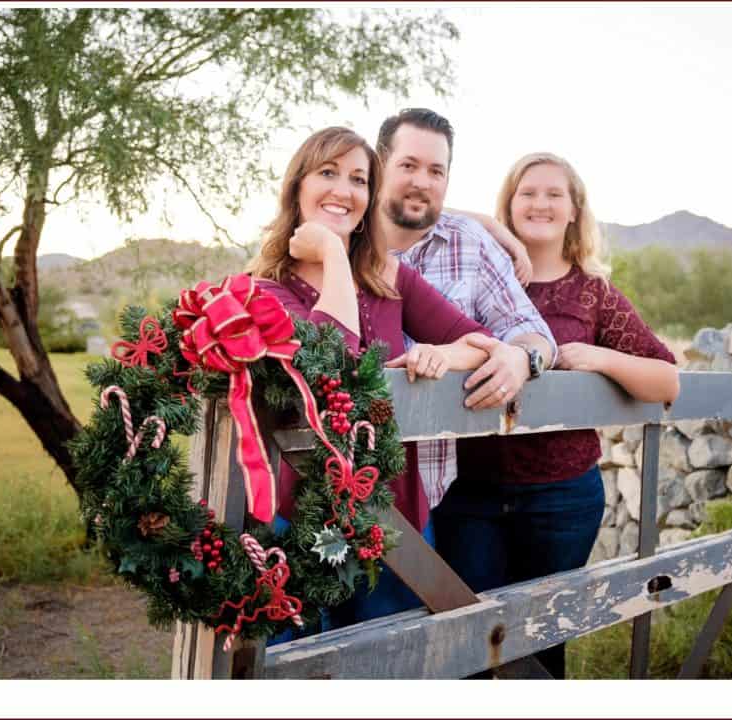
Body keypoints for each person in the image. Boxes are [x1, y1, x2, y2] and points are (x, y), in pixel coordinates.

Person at [435, 152, 681, 679]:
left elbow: (666, 379)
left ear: (574, 210)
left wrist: (599, 358)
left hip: (561, 498)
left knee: (541, 643)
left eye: (553, 194)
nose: (540, 203)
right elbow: (417, 207)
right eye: (527, 192)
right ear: (508, 204)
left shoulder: (593, 292)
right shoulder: (479, 275)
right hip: (467, 493)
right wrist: (487, 228)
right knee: (465, 645)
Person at [247, 126, 493, 625]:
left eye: (359, 179)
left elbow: (479, 343)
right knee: (297, 673)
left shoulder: (390, 278)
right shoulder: (262, 290)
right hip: (296, 517)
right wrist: (335, 255)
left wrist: (441, 356)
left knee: (392, 666)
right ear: (298, 186)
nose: (344, 190)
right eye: (328, 173)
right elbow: (324, 367)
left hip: (392, 517)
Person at [373, 108, 557, 510]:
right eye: (408, 165)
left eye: (436, 171)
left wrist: (521, 358)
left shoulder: (470, 243)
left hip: (431, 497)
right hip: (327, 488)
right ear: (379, 164)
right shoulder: (343, 241)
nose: (422, 181)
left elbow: (530, 329)